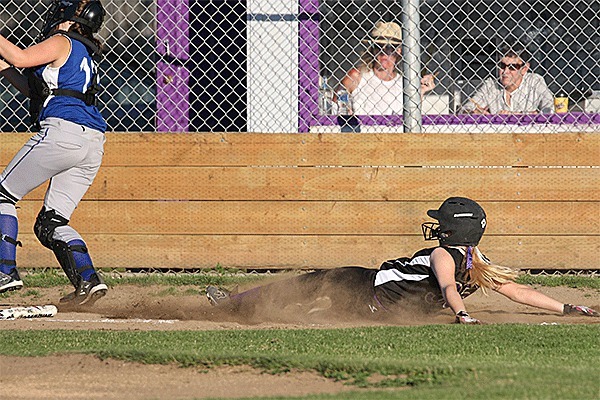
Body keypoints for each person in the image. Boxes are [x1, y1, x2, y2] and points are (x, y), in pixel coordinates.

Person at [204, 197, 598, 324]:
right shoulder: (476, 258)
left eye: (440, 226)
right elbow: (519, 292)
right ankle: (239, 305)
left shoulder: (447, 254)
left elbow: (448, 286)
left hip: (367, 290)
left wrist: (461, 315)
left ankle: (234, 304)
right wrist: (569, 306)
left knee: (310, 289)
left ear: (451, 232)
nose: (436, 232)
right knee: (309, 292)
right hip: (370, 295)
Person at [0, 0, 108, 305]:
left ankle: (5, 271)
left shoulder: (62, 41)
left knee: (2, 196)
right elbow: (39, 91)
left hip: (63, 133)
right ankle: (88, 280)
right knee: (52, 221)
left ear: (68, 15)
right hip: (92, 142)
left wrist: (9, 57)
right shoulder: (83, 51)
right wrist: (6, 70)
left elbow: (20, 56)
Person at [339, 21, 437, 115]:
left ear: (398, 51)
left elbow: (411, 118)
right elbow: (333, 109)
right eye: (378, 46)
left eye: (389, 48)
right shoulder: (356, 77)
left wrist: (420, 91)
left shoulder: (405, 84)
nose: (383, 52)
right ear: (373, 49)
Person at [462, 43, 554, 114]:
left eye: (512, 67)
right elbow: (465, 110)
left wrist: (517, 116)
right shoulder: (490, 85)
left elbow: (549, 110)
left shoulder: (535, 82)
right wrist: (475, 113)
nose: (505, 72)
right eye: (502, 65)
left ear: (524, 69)